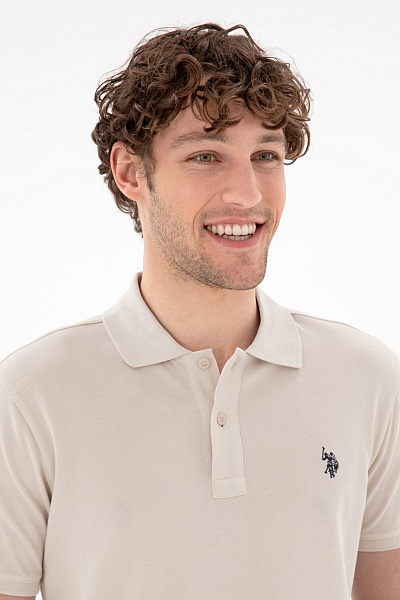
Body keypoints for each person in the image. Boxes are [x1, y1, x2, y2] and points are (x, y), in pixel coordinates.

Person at [0, 22, 399, 600]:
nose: (248, 194)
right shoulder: (31, 394)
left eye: (266, 155)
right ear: (130, 172)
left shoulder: (367, 379)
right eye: (206, 156)